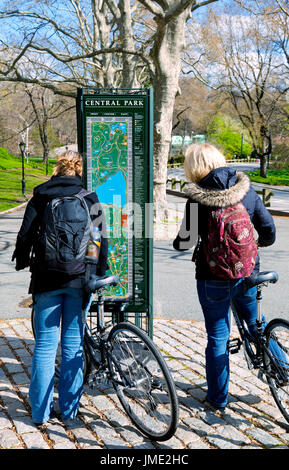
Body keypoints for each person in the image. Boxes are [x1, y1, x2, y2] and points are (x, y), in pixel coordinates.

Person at [173, 143, 276, 411]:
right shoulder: (246, 191)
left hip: (212, 276)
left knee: (218, 337)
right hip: (248, 272)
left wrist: (179, 243)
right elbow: (268, 229)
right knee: (256, 324)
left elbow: (184, 242)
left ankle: (218, 399)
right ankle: (283, 368)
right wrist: (259, 243)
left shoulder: (196, 199)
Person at [12, 150, 108, 425]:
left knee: (44, 346)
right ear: (79, 169)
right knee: (72, 344)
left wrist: (22, 261)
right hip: (79, 279)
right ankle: (69, 410)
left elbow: (25, 234)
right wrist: (98, 272)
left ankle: (40, 413)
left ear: (57, 167)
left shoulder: (41, 196)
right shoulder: (89, 197)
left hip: (45, 278)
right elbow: (101, 237)